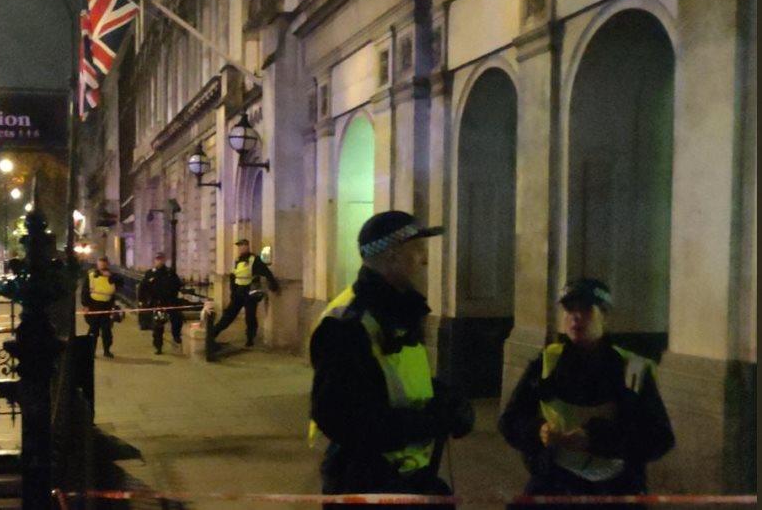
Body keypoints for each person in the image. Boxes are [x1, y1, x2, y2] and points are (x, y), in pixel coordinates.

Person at [309, 211, 473, 509]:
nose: (425, 259)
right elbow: (340, 416)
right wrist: (429, 422)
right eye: (418, 249)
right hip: (367, 480)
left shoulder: (398, 311)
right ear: (393, 255)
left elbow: (394, 381)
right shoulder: (348, 323)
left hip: (408, 475)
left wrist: (443, 398)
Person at [498, 278, 675, 508]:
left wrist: (597, 440)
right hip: (555, 481)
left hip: (615, 488)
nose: (576, 317)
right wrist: (538, 431)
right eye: (570, 310)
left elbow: (660, 438)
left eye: (586, 309)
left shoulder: (632, 369)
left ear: (605, 316)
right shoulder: (546, 363)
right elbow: (510, 421)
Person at [210, 239, 279, 348]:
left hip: (250, 292)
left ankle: (250, 339)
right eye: (239, 246)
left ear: (247, 246)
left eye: (242, 245)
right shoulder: (238, 260)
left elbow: (266, 272)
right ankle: (212, 334)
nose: (240, 248)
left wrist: (273, 284)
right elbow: (233, 276)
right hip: (239, 292)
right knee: (228, 315)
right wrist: (233, 291)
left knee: (250, 317)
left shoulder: (254, 259)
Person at [137, 252, 184, 355]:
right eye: (157, 259)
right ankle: (158, 346)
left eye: (161, 259)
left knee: (177, 319)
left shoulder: (170, 272)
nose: (159, 261)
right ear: (155, 261)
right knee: (158, 325)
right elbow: (143, 287)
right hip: (157, 302)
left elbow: (177, 285)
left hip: (170, 301)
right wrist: (142, 301)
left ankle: (176, 336)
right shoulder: (150, 273)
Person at [81, 256, 122, 358]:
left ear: (107, 264)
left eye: (104, 263)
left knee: (107, 331)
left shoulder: (112, 275)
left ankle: (107, 350)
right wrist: (85, 305)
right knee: (93, 330)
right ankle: (91, 351)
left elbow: (121, 283)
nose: (102, 265)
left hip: (107, 306)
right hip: (93, 305)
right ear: (97, 264)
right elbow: (85, 291)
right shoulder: (91, 275)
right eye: (100, 262)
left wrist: (111, 277)